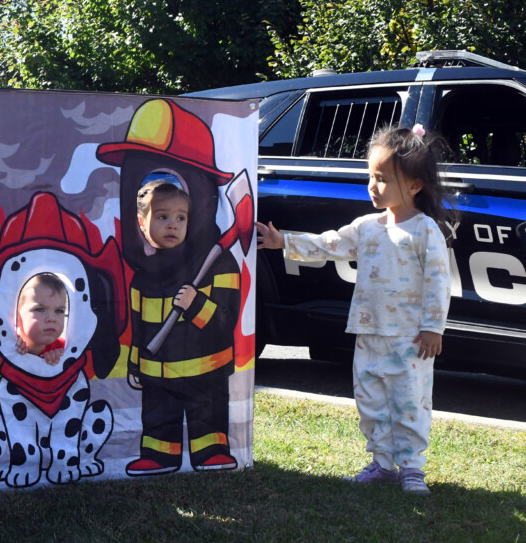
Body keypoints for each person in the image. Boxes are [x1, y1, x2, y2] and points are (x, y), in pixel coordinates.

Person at [256, 124, 453, 495]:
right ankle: (382, 463)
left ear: (414, 185)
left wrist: (433, 327)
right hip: (369, 331)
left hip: (410, 339)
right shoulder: (367, 227)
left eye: (383, 179)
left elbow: (439, 283)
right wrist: (284, 242)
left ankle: (412, 468)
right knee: (371, 399)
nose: (373, 186)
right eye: (371, 177)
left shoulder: (426, 231)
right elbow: (330, 244)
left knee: (410, 403)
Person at [123, 180, 240, 476]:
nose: (172, 225)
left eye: (181, 217)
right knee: (158, 415)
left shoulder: (220, 265)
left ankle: (212, 451)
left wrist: (196, 303)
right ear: (141, 221)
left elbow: (226, 323)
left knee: (207, 413)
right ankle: (159, 456)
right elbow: (137, 328)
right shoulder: (141, 277)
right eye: (162, 216)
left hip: (206, 370)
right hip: (157, 374)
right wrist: (136, 364)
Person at [14, 272, 67, 365]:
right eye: (40, 309)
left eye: (59, 311)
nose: (51, 319)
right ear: (17, 316)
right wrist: (14, 351)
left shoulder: (65, 349)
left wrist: (60, 361)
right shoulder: (7, 343)